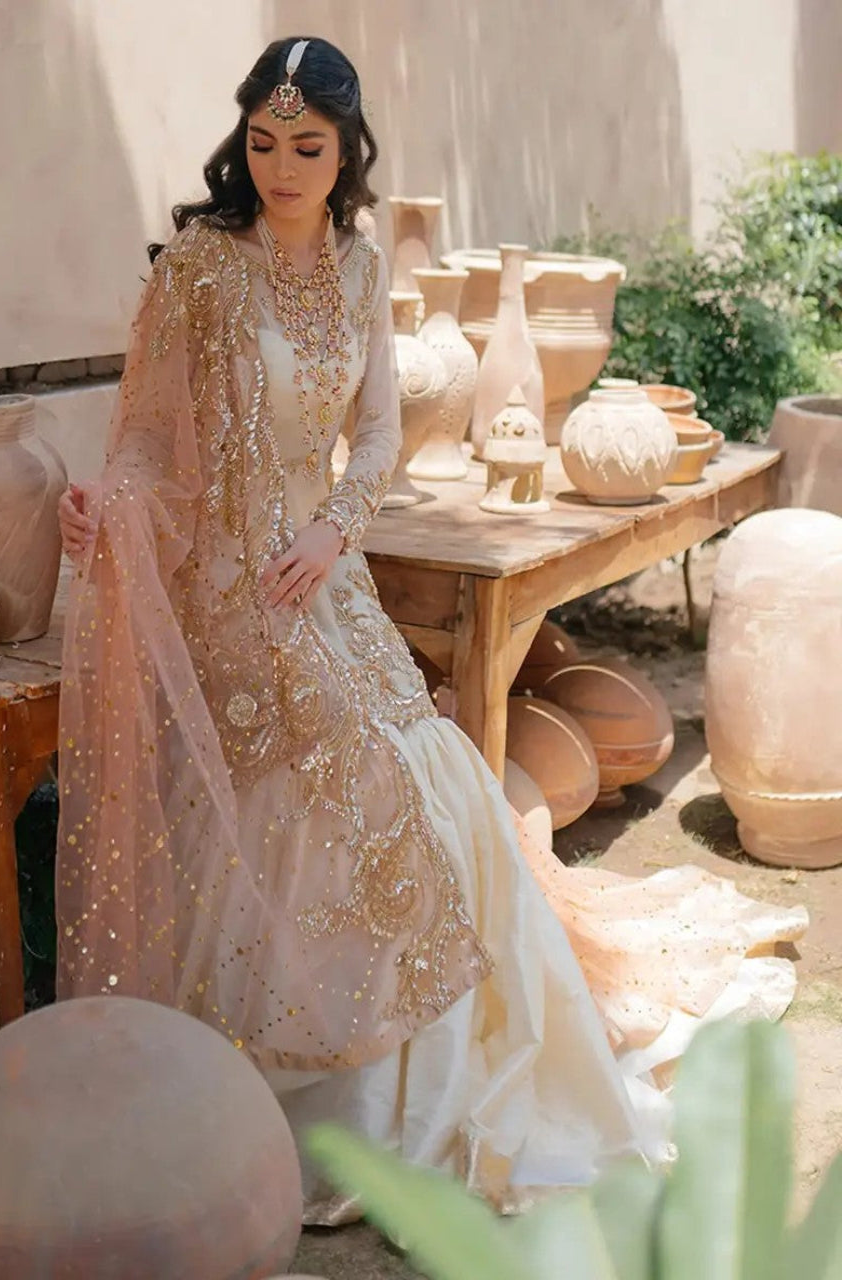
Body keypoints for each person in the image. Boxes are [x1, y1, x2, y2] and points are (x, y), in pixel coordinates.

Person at [56, 35, 806, 1222]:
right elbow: (147, 439)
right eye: (263, 143)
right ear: (242, 141)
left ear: (349, 150)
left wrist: (333, 533)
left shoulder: (358, 273)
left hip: (322, 574)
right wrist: (112, 502)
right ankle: (277, 1085)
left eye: (308, 146)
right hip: (225, 595)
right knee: (341, 765)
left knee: (429, 762)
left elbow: (379, 440)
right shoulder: (199, 269)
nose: (282, 167)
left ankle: (420, 1085)